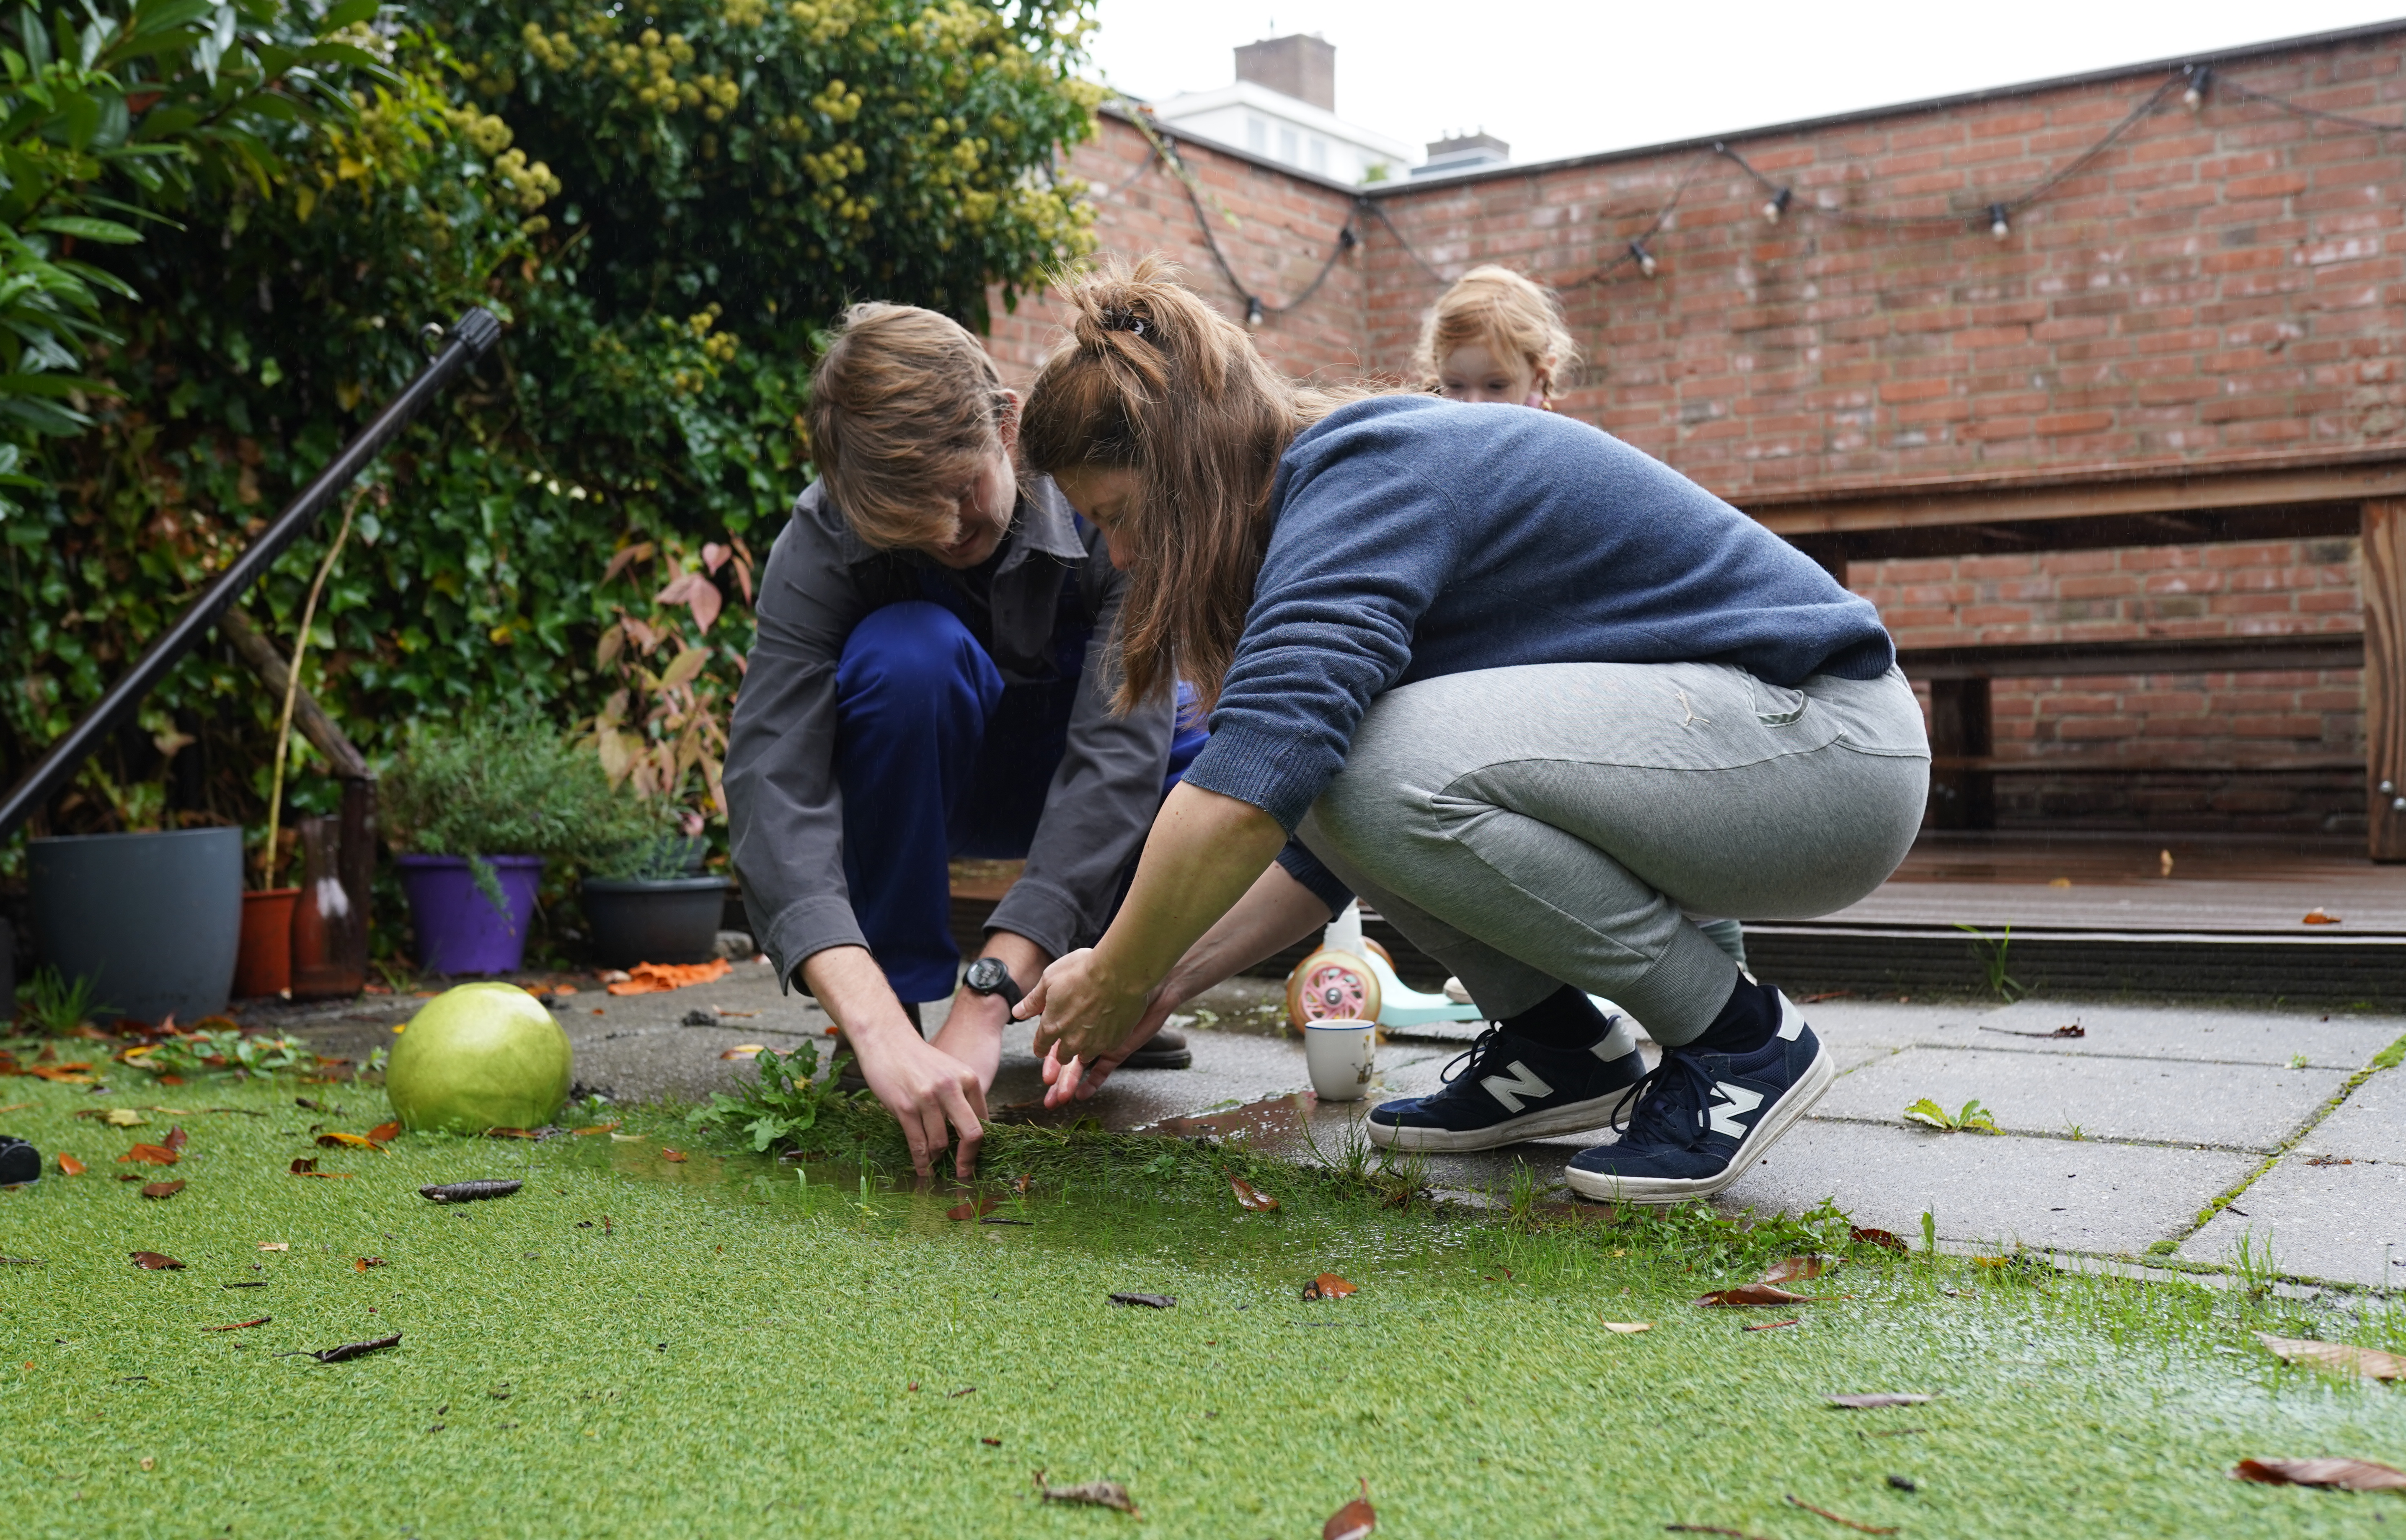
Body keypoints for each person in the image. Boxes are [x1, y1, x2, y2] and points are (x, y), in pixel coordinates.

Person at [1009, 259, 1930, 1203]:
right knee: (1346, 764)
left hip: (1829, 741)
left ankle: (1739, 1037)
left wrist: (1119, 967)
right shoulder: (1318, 496)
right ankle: (1558, 1048)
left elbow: (1255, 785)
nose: (1117, 554)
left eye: (1118, 515)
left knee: (1350, 756)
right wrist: (1162, 980)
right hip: (1754, 749)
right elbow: (1334, 840)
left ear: (1181, 463)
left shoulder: (1360, 474)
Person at [723, 303, 1200, 1181]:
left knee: (1199, 755)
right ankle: (899, 1006)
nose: (946, 534)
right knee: (909, 657)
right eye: (910, 517)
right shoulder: (825, 535)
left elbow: (1114, 761)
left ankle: (1104, 983)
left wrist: (987, 1003)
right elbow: (771, 778)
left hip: (1096, 770)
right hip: (931, 765)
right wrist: (869, 1018)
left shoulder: (1109, 502)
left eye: (961, 495)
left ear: (1007, 424)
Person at [1414, 265, 1753, 979]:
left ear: (1543, 379)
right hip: (1519, 691)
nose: (1474, 406)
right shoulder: (1442, 470)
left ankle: (1724, 981)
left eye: (1497, 386)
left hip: (1622, 682)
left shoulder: (1564, 464)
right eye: (1454, 386)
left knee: (1657, 861)